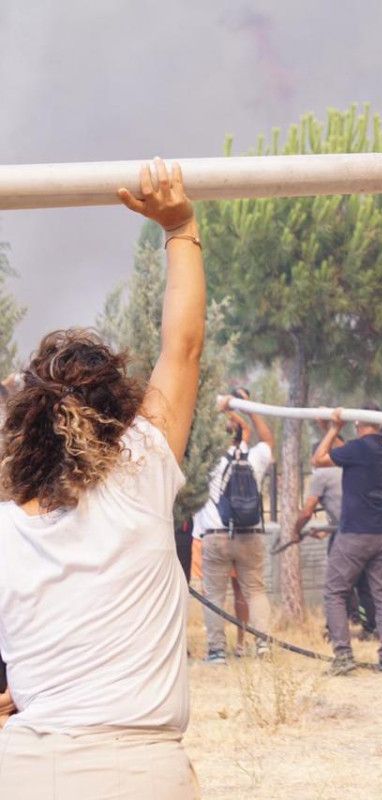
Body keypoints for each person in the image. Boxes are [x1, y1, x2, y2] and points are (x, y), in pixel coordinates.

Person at [0, 159, 204, 798]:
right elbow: (183, 349)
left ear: (25, 422)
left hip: (21, 767)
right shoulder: (142, 470)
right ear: (120, 407)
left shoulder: (6, 523)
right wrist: (180, 228)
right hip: (133, 768)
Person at [314, 403, 382, 674]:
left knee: (335, 591)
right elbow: (344, 452)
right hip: (381, 533)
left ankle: (343, 654)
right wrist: (328, 428)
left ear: (358, 424)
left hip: (354, 534)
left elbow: (319, 458)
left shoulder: (357, 449)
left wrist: (333, 429)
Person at [193, 393, 275, 663]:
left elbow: (195, 437)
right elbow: (268, 441)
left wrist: (219, 410)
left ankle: (217, 651)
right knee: (255, 591)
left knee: (214, 594)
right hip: (251, 535)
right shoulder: (256, 457)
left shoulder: (210, 460)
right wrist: (249, 409)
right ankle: (262, 645)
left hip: (217, 536)